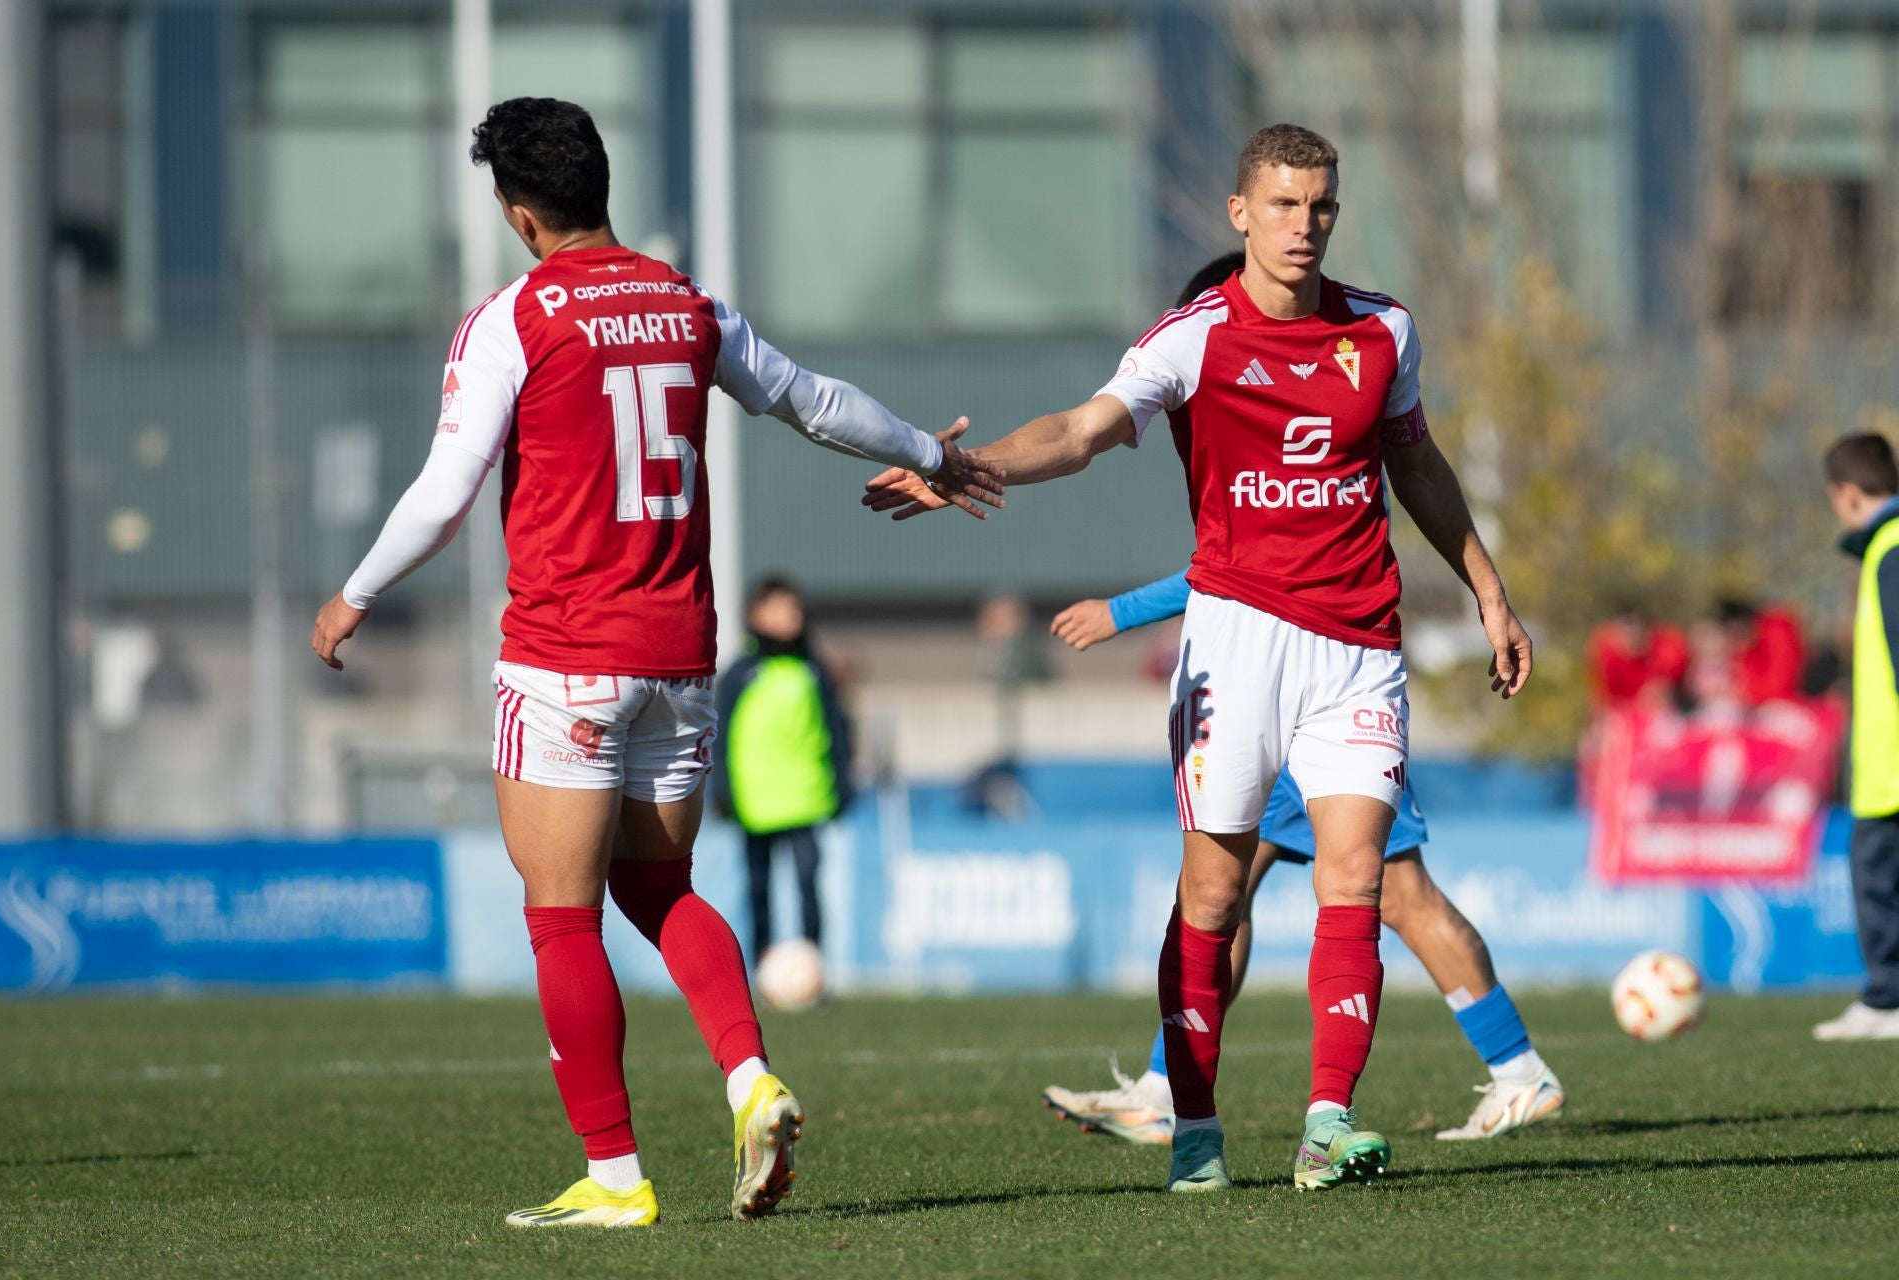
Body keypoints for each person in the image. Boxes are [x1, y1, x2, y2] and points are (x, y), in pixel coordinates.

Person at [310, 97, 1003, 1229]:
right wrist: (931, 450)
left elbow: (446, 489)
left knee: (561, 914)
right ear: (602, 186)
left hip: (566, 653)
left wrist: (353, 595)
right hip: (680, 655)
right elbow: (810, 401)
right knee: (657, 885)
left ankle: (616, 1174)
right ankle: (750, 1077)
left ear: (519, 213)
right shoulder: (687, 303)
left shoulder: (512, 318)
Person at [864, 124, 1531, 1193]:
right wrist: (962, 464)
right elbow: (1081, 430)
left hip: (1359, 645)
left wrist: (1490, 592)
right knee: (1214, 894)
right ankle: (1197, 1129)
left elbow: (1420, 464)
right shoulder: (1195, 337)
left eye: (1320, 206)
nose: (1303, 225)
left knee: (1356, 875)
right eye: (1281, 205)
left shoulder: (1386, 330)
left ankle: (1326, 1124)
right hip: (1238, 641)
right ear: (1240, 213)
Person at [1037, 256, 1562, 1148]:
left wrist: (1120, 610)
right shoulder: (1211, 376)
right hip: (1269, 676)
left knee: (1390, 890)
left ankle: (1515, 1067)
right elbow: (1234, 573)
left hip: (1336, 672)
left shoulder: (1361, 351)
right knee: (1230, 892)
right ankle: (1173, 1090)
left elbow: (1251, 569)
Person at [714, 577, 850, 963]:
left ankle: (812, 964)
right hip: (754, 801)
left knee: (808, 884)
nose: (790, 616)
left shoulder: (814, 670)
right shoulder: (740, 673)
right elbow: (720, 735)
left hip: (806, 797)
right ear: (756, 616)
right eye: (779, 608)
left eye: (794, 609)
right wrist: (722, 791)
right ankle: (763, 967)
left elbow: (837, 731)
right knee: (759, 887)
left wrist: (843, 784)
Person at [1815, 432, 1899, 1041]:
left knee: (1876, 883)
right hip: (1880, 766)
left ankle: (1885, 1000)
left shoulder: (1891, 549)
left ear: (1845, 494)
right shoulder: (1881, 548)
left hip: (1889, 767)